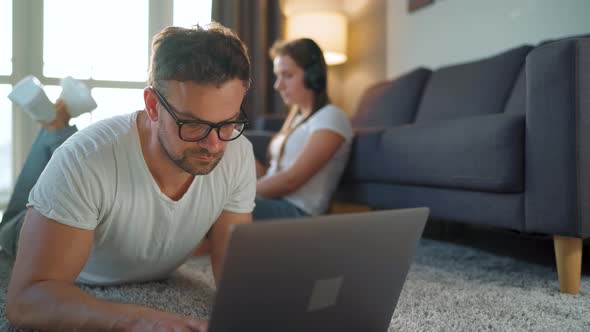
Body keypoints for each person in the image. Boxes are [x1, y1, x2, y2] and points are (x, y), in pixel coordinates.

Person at [1, 23, 255, 331]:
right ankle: (55, 123)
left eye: (227, 123)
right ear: (152, 105)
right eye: (192, 124)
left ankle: (57, 120)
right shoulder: (84, 160)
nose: (214, 144)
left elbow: (235, 278)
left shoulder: (237, 152)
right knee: (19, 216)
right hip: (27, 232)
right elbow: (26, 300)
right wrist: (140, 320)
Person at [253, 38, 353, 221]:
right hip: (273, 201)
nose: (278, 86)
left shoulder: (331, 117)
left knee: (221, 204)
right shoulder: (295, 119)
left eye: (288, 75)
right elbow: (271, 174)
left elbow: (291, 180)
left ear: (312, 76)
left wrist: (239, 193)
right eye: (278, 75)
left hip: (299, 212)